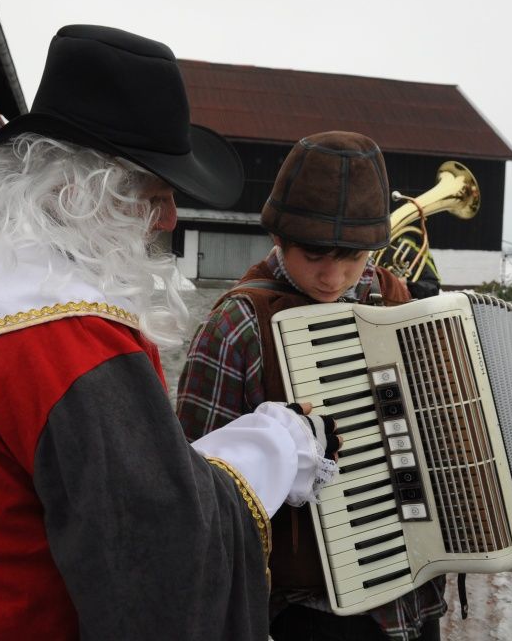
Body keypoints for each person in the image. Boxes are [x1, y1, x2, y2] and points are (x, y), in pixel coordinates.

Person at [0, 25, 339, 641]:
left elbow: (98, 490)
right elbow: (162, 561)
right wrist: (275, 447)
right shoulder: (68, 339)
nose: (169, 218)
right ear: (84, 188)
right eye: (155, 193)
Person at [177, 131, 446, 641]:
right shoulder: (238, 323)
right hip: (308, 608)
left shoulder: (392, 299)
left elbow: (437, 412)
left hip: (413, 592)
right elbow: (196, 482)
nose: (333, 276)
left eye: (354, 257)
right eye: (315, 256)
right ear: (278, 238)